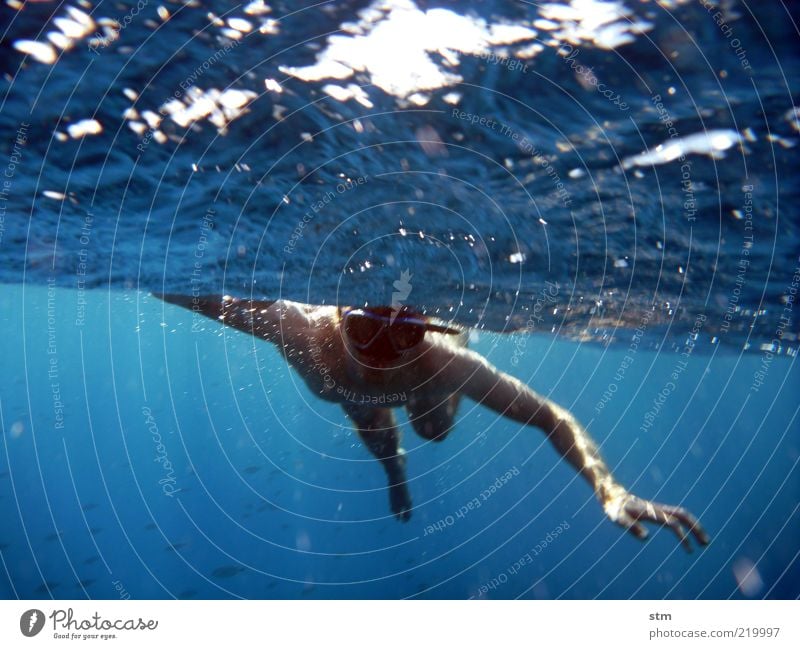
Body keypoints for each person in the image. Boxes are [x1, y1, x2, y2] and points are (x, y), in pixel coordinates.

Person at [155, 293, 709, 552]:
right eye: (367, 329)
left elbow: (549, 416)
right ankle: (396, 475)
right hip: (355, 399)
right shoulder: (297, 328)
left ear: (425, 331)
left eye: (404, 333)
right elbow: (198, 294)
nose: (384, 349)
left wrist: (608, 488)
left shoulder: (441, 363)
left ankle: (413, 436)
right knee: (368, 417)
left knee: (433, 430)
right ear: (338, 319)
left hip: (429, 390)